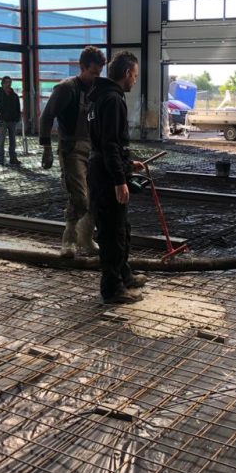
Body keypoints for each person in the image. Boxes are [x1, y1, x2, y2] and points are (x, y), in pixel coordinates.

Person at [87, 51, 147, 304]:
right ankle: (112, 289)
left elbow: (106, 143)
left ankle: (123, 274)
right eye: (135, 75)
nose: (135, 80)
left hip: (101, 169)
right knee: (112, 233)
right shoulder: (112, 99)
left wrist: (127, 164)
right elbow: (110, 144)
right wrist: (119, 180)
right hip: (105, 176)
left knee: (121, 228)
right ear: (126, 73)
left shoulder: (100, 95)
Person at [39, 46, 106, 257]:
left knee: (95, 196)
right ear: (82, 67)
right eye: (93, 72)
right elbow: (46, 117)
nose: (96, 77)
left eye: (99, 73)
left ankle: (86, 238)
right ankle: (68, 240)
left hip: (92, 148)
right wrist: (47, 147)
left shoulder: (97, 91)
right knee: (79, 198)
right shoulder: (66, 89)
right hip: (72, 149)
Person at [0, 76, 21, 166]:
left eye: (10, 82)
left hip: (12, 121)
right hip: (3, 121)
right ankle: (1, 160)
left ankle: (13, 159)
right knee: (1, 140)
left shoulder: (14, 95)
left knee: (13, 141)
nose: (8, 84)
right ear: (2, 83)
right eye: (6, 82)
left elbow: (18, 108)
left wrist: (18, 118)